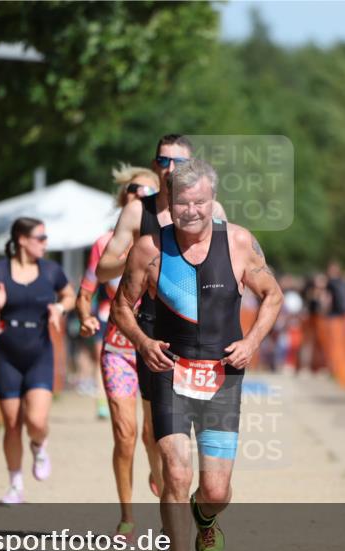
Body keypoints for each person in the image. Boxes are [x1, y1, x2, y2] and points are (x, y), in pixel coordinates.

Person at [111, 158, 283, 551]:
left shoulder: (240, 243)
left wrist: (252, 341)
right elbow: (121, 307)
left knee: (215, 489)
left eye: (201, 202)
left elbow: (273, 296)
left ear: (213, 200)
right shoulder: (150, 249)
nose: (192, 211)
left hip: (223, 375)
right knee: (176, 470)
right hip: (169, 369)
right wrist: (143, 342)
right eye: (183, 202)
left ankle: (205, 516)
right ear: (171, 201)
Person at [94, 135, 228, 506]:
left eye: (178, 163)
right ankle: (163, 510)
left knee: (190, 433)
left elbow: (227, 267)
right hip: (151, 332)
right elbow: (104, 268)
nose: (170, 168)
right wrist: (136, 257)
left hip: (197, 335)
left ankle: (198, 502)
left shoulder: (212, 211)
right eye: (163, 161)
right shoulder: (139, 212)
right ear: (155, 166)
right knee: (153, 431)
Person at [76, 164, 162, 539]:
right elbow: (86, 292)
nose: (138, 197)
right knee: (125, 434)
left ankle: (164, 501)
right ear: (123, 198)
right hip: (118, 349)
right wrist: (85, 317)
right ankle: (127, 515)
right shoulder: (103, 244)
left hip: (157, 349)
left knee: (155, 436)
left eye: (146, 192)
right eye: (132, 191)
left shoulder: (167, 242)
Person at [0, 217, 75, 504]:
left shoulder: (52, 270)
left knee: (36, 419)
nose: (45, 243)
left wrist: (59, 307)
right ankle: (15, 483)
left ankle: (39, 445)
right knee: (12, 423)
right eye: (40, 238)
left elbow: (69, 295)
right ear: (22, 239)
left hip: (39, 352)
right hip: (5, 354)